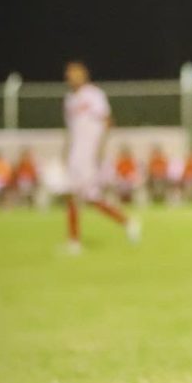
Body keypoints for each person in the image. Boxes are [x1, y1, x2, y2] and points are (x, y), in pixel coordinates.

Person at [62, 60, 140, 254]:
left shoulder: (94, 95)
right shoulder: (69, 100)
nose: (72, 77)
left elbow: (107, 121)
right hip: (75, 156)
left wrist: (100, 150)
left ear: (84, 74)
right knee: (85, 197)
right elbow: (71, 131)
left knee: (77, 195)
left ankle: (75, 242)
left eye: (76, 73)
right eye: (70, 74)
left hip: (89, 156)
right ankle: (127, 222)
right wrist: (66, 153)